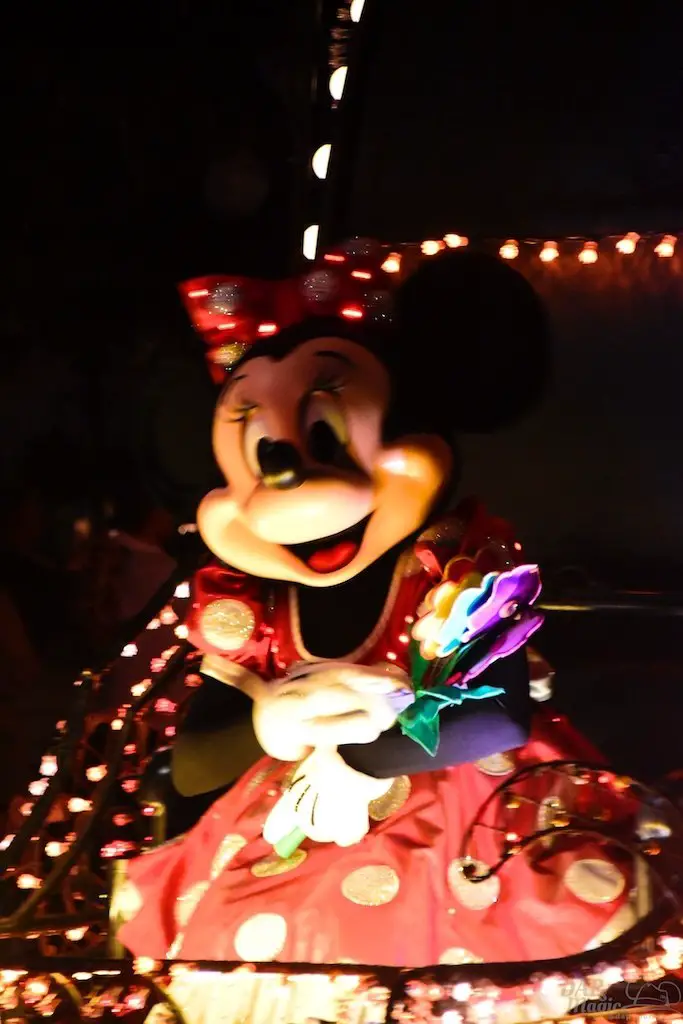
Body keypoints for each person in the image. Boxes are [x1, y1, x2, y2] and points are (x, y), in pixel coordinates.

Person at [117, 242, 635, 980]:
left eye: (324, 437)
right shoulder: (254, 602)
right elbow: (195, 764)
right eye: (258, 449)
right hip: (289, 820)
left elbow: (498, 714)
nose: (290, 481)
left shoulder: (450, 567)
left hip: (466, 809)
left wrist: (362, 756)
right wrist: (270, 725)